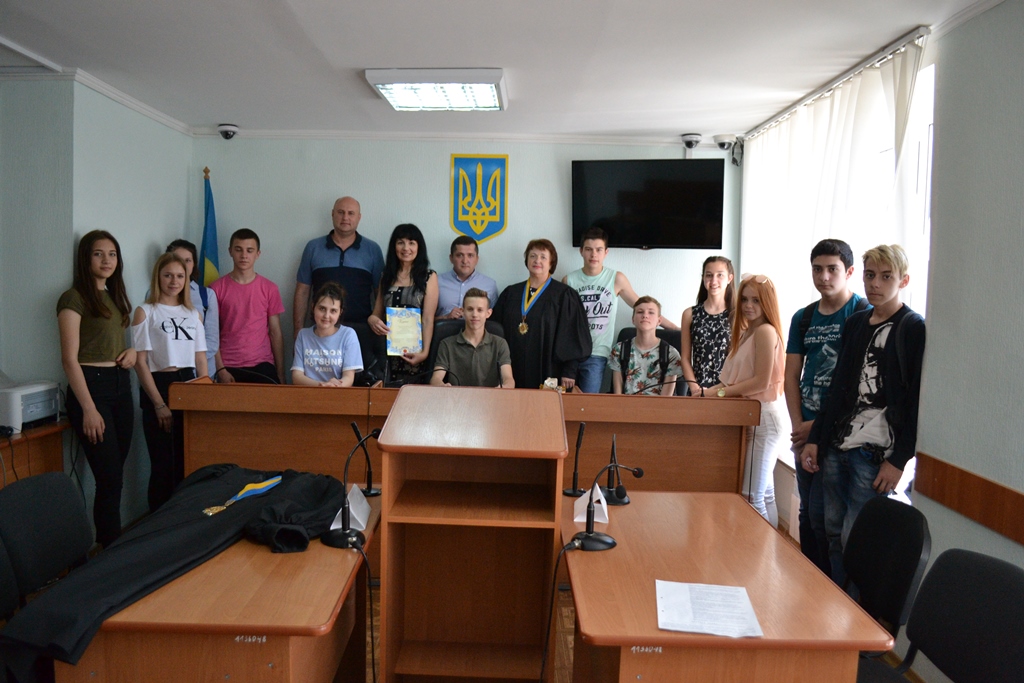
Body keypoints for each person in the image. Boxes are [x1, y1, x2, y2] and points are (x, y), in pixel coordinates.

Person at [801, 245, 925, 585]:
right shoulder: (856, 323)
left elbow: (916, 402)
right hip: (837, 443)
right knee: (830, 529)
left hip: (874, 452)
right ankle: (836, 600)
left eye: (886, 277)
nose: (875, 284)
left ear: (903, 280)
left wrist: (899, 460)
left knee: (857, 538)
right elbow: (837, 388)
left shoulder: (912, 327)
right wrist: (816, 439)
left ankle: (855, 609)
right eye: (870, 275)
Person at [784, 239, 868, 575]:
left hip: (838, 434)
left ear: (849, 272)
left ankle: (830, 588)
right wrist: (798, 426)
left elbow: (858, 384)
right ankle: (808, 579)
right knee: (807, 512)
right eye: (817, 269)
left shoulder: (862, 314)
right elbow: (791, 376)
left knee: (828, 520)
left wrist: (817, 428)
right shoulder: (803, 318)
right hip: (804, 430)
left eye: (832, 269)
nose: (824, 277)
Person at [57, 230, 137, 547]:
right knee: (109, 477)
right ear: (85, 258)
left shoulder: (115, 296)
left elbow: (115, 342)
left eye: (112, 254)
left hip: (120, 385)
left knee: (114, 476)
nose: (107, 260)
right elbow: (69, 359)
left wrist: (131, 353)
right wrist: (88, 408)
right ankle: (108, 549)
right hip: (92, 389)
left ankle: (111, 546)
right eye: (98, 254)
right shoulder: (73, 298)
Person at [706, 275, 786, 527]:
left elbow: (760, 382)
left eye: (756, 300)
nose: (748, 305)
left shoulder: (765, 331)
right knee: (765, 495)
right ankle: (769, 549)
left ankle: (757, 550)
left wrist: (719, 394)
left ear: (767, 303)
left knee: (751, 498)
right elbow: (730, 381)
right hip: (750, 417)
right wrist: (706, 392)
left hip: (763, 420)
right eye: (744, 299)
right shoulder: (746, 332)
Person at [131, 253, 207, 511]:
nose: (174, 281)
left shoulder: (193, 314)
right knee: (162, 464)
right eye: (168, 275)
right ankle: (158, 520)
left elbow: (200, 359)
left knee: (186, 462)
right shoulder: (145, 312)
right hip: (159, 385)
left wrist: (205, 396)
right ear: (158, 277)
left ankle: (182, 517)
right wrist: (159, 404)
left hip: (188, 383)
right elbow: (140, 362)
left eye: (180, 276)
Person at [563, 228, 679, 393]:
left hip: (597, 352)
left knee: (588, 403)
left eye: (599, 250)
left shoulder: (615, 278)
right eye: (588, 249)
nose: (593, 254)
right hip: (571, 354)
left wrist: (674, 328)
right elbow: (564, 323)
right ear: (581, 251)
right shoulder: (569, 280)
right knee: (564, 402)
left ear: (606, 252)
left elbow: (640, 305)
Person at [492, 239, 592, 390]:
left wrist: (569, 370)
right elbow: (496, 330)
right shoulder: (511, 293)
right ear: (527, 260)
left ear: (551, 263)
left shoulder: (564, 295)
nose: (537, 260)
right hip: (513, 367)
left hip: (550, 369)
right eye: (532, 256)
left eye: (543, 257)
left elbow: (572, 336)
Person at [293, 196, 385, 332]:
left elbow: (381, 293)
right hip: (322, 330)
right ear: (332, 214)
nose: (345, 217)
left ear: (359, 217)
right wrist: (298, 331)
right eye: (341, 212)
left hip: (362, 330)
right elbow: (302, 292)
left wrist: (379, 328)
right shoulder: (313, 247)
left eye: (351, 213)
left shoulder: (373, 249)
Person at [210, 229, 286, 384]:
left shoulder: (270, 288)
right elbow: (212, 332)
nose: (244, 255)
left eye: (249, 250)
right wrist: (220, 369)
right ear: (230, 251)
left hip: (262, 364)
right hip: (227, 365)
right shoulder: (216, 289)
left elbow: (275, 332)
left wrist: (280, 373)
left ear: (258, 254)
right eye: (238, 250)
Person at [367, 224, 439, 384]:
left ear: (419, 247)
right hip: (387, 353)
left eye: (411, 243)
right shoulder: (386, 276)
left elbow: (428, 319)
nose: (406, 248)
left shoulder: (429, 277)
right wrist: (372, 320)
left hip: (416, 352)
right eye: (401, 242)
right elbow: (376, 314)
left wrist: (424, 352)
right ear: (394, 246)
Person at [431, 288, 514, 388]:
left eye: (480, 310)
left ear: (488, 313)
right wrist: (441, 386)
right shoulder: (447, 344)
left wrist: (504, 388)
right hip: (457, 396)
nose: (474, 314)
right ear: (463, 311)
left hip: (491, 396)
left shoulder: (500, 344)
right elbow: (436, 378)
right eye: (470, 309)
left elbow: (508, 379)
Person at [680, 256, 734, 396]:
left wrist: (716, 391)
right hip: (697, 391)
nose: (714, 281)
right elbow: (685, 358)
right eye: (709, 275)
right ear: (703, 278)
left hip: (727, 391)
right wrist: (695, 388)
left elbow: (740, 361)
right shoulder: (690, 314)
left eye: (720, 275)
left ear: (730, 278)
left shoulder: (737, 315)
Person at [291, 282, 363, 387]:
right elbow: (297, 377)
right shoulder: (303, 335)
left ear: (340, 312)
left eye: (333, 311)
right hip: (309, 392)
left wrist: (333, 387)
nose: (326, 315)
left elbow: (348, 378)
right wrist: (321, 385)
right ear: (313, 307)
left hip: (338, 392)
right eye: (322, 309)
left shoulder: (348, 335)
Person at [165, 239, 219, 378]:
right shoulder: (155, 295)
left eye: (188, 260)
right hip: (168, 371)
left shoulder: (207, 295)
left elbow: (212, 341)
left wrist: (186, 361)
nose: (183, 265)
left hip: (201, 373)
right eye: (178, 259)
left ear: (194, 263)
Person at [608, 296, 683, 395]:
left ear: (659, 321)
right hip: (626, 404)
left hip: (658, 404)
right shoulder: (619, 350)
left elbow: (666, 399)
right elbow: (617, 395)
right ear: (633, 319)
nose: (645, 316)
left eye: (651, 312)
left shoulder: (671, 354)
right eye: (640, 312)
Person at [435, 235, 500, 319]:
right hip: (444, 327)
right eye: (460, 255)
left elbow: (494, 320)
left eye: (470, 255)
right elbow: (425, 319)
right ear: (451, 258)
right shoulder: (436, 282)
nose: (465, 261)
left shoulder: (489, 285)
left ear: (477, 259)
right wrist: (446, 317)